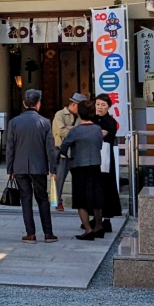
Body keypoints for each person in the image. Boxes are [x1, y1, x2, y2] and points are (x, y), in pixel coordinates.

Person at [6, 88, 59, 243]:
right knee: (42, 198)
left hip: (19, 165)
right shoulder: (45, 122)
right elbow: (50, 148)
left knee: (26, 199)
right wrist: (53, 169)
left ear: (24, 103)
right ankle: (48, 233)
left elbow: (10, 147)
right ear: (38, 104)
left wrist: (9, 168)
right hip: (39, 166)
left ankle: (30, 233)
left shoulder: (14, 122)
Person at [57, 100, 106, 241]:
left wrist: (69, 156)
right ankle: (98, 226)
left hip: (79, 166)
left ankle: (88, 230)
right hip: (95, 165)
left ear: (80, 112)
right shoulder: (97, 129)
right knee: (96, 197)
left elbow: (64, 147)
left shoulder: (76, 130)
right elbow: (100, 145)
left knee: (81, 200)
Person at [92, 93, 123, 233]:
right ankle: (95, 216)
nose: (100, 107)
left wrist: (96, 133)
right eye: (98, 104)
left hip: (105, 158)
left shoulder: (111, 121)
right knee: (94, 187)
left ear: (109, 106)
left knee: (107, 187)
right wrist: (99, 133)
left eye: (103, 105)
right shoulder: (92, 119)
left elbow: (109, 137)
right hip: (92, 157)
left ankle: (107, 219)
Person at [52, 93, 87, 212]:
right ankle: (57, 201)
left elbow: (85, 131)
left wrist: (71, 129)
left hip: (76, 150)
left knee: (78, 177)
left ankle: (79, 201)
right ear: (74, 105)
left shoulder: (81, 116)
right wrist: (75, 132)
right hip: (62, 150)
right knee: (60, 177)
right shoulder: (60, 114)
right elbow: (61, 131)